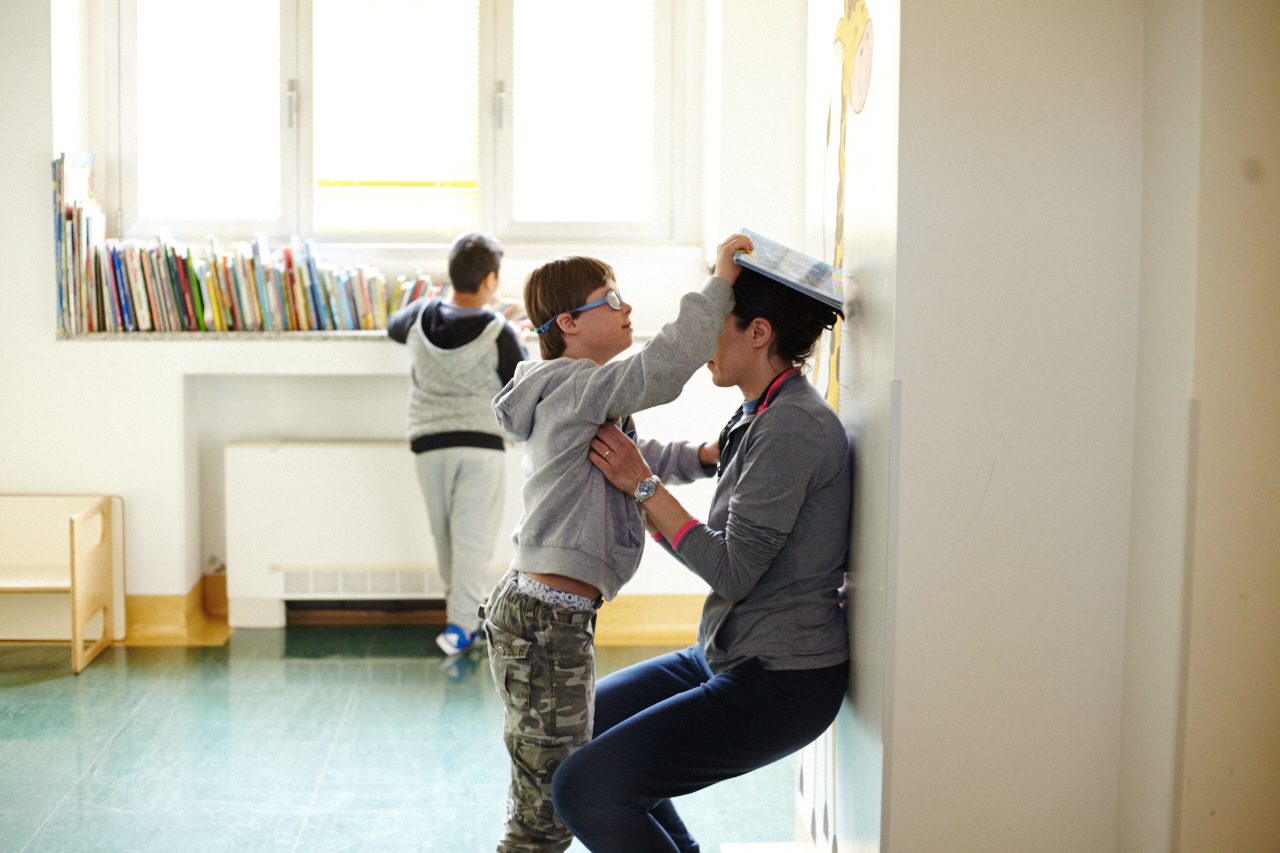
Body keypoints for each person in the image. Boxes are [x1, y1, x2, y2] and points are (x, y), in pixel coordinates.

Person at [550, 266, 852, 853]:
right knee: (579, 727)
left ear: (757, 332)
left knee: (585, 788)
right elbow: (720, 546)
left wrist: (644, 488)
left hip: (782, 680)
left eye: (715, 325)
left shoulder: (793, 426)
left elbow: (733, 571)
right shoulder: (760, 411)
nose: (702, 343)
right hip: (730, 650)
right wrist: (645, 501)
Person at [483, 235, 753, 853]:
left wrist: (704, 456)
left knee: (547, 787)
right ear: (569, 325)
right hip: (545, 620)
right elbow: (663, 366)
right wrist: (721, 283)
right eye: (612, 299)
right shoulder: (577, 386)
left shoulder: (580, 394)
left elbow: (630, 459)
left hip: (552, 617)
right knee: (547, 809)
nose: (627, 307)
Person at [386, 231, 527, 656]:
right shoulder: (498, 331)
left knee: (445, 535)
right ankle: (463, 625)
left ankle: (463, 616)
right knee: (473, 538)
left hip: (428, 442)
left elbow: (393, 326)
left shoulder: (419, 315)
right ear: (489, 280)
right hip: (480, 443)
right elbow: (518, 383)